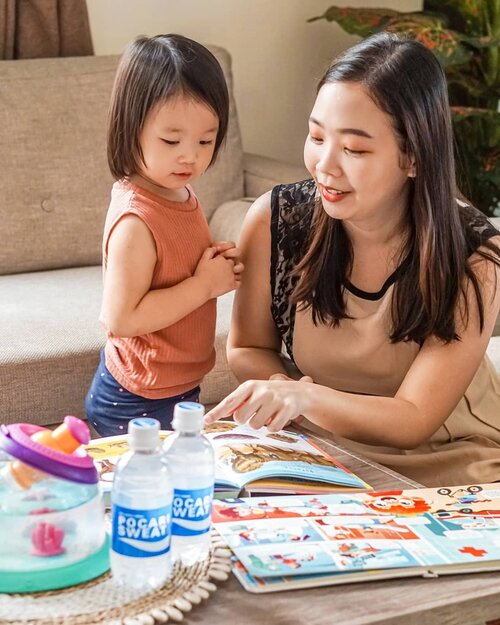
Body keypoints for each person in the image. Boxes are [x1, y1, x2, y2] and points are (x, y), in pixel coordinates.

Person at [205, 32, 500, 487]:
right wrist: (289, 398)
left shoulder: (474, 256)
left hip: (448, 458)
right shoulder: (275, 219)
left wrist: (304, 398)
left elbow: (414, 418)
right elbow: (248, 347)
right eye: (317, 135)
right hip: (318, 443)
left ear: (414, 157)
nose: (325, 164)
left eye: (355, 149)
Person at [86, 34, 243, 436]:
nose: (189, 155)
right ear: (131, 127)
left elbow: (173, 266)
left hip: (176, 385)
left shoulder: (178, 191)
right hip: (135, 396)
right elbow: (121, 318)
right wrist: (203, 285)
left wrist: (211, 264)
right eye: (171, 140)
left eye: (205, 141)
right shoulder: (136, 220)